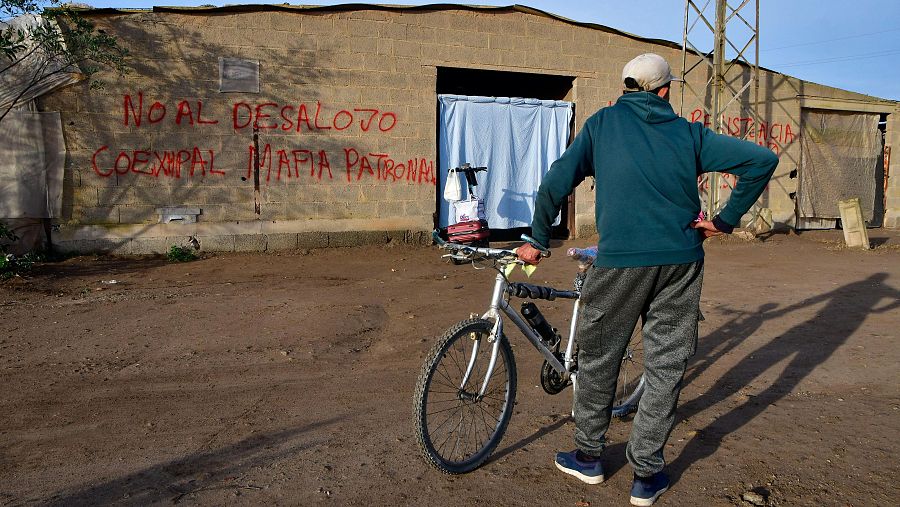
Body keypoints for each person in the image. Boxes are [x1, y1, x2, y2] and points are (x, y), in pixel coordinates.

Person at [517, 53, 778, 506]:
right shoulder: (690, 134)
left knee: (599, 357)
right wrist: (724, 221)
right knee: (666, 365)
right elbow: (761, 160)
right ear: (665, 90)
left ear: (626, 87)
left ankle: (589, 456)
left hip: (619, 263)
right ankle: (647, 474)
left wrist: (538, 238)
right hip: (680, 262)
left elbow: (556, 181)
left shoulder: (601, 126)